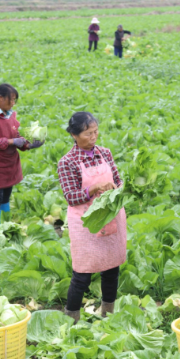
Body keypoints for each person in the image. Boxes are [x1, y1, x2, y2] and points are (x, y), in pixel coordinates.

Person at [57, 112, 127, 323]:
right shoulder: (67, 162)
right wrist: (95, 188)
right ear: (74, 135)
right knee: (82, 274)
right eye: (88, 134)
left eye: (96, 132)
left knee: (111, 268)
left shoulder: (105, 153)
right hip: (86, 222)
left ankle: (108, 314)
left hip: (110, 218)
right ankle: (72, 320)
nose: (94, 137)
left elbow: (118, 179)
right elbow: (71, 197)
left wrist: (120, 189)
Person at [0, 84, 44, 228]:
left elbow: (17, 136)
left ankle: (6, 225)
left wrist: (29, 144)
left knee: (7, 194)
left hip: (10, 162)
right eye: (11, 100)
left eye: (15, 100)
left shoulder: (11, 114)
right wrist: (11, 141)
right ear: (0, 98)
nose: (13, 103)